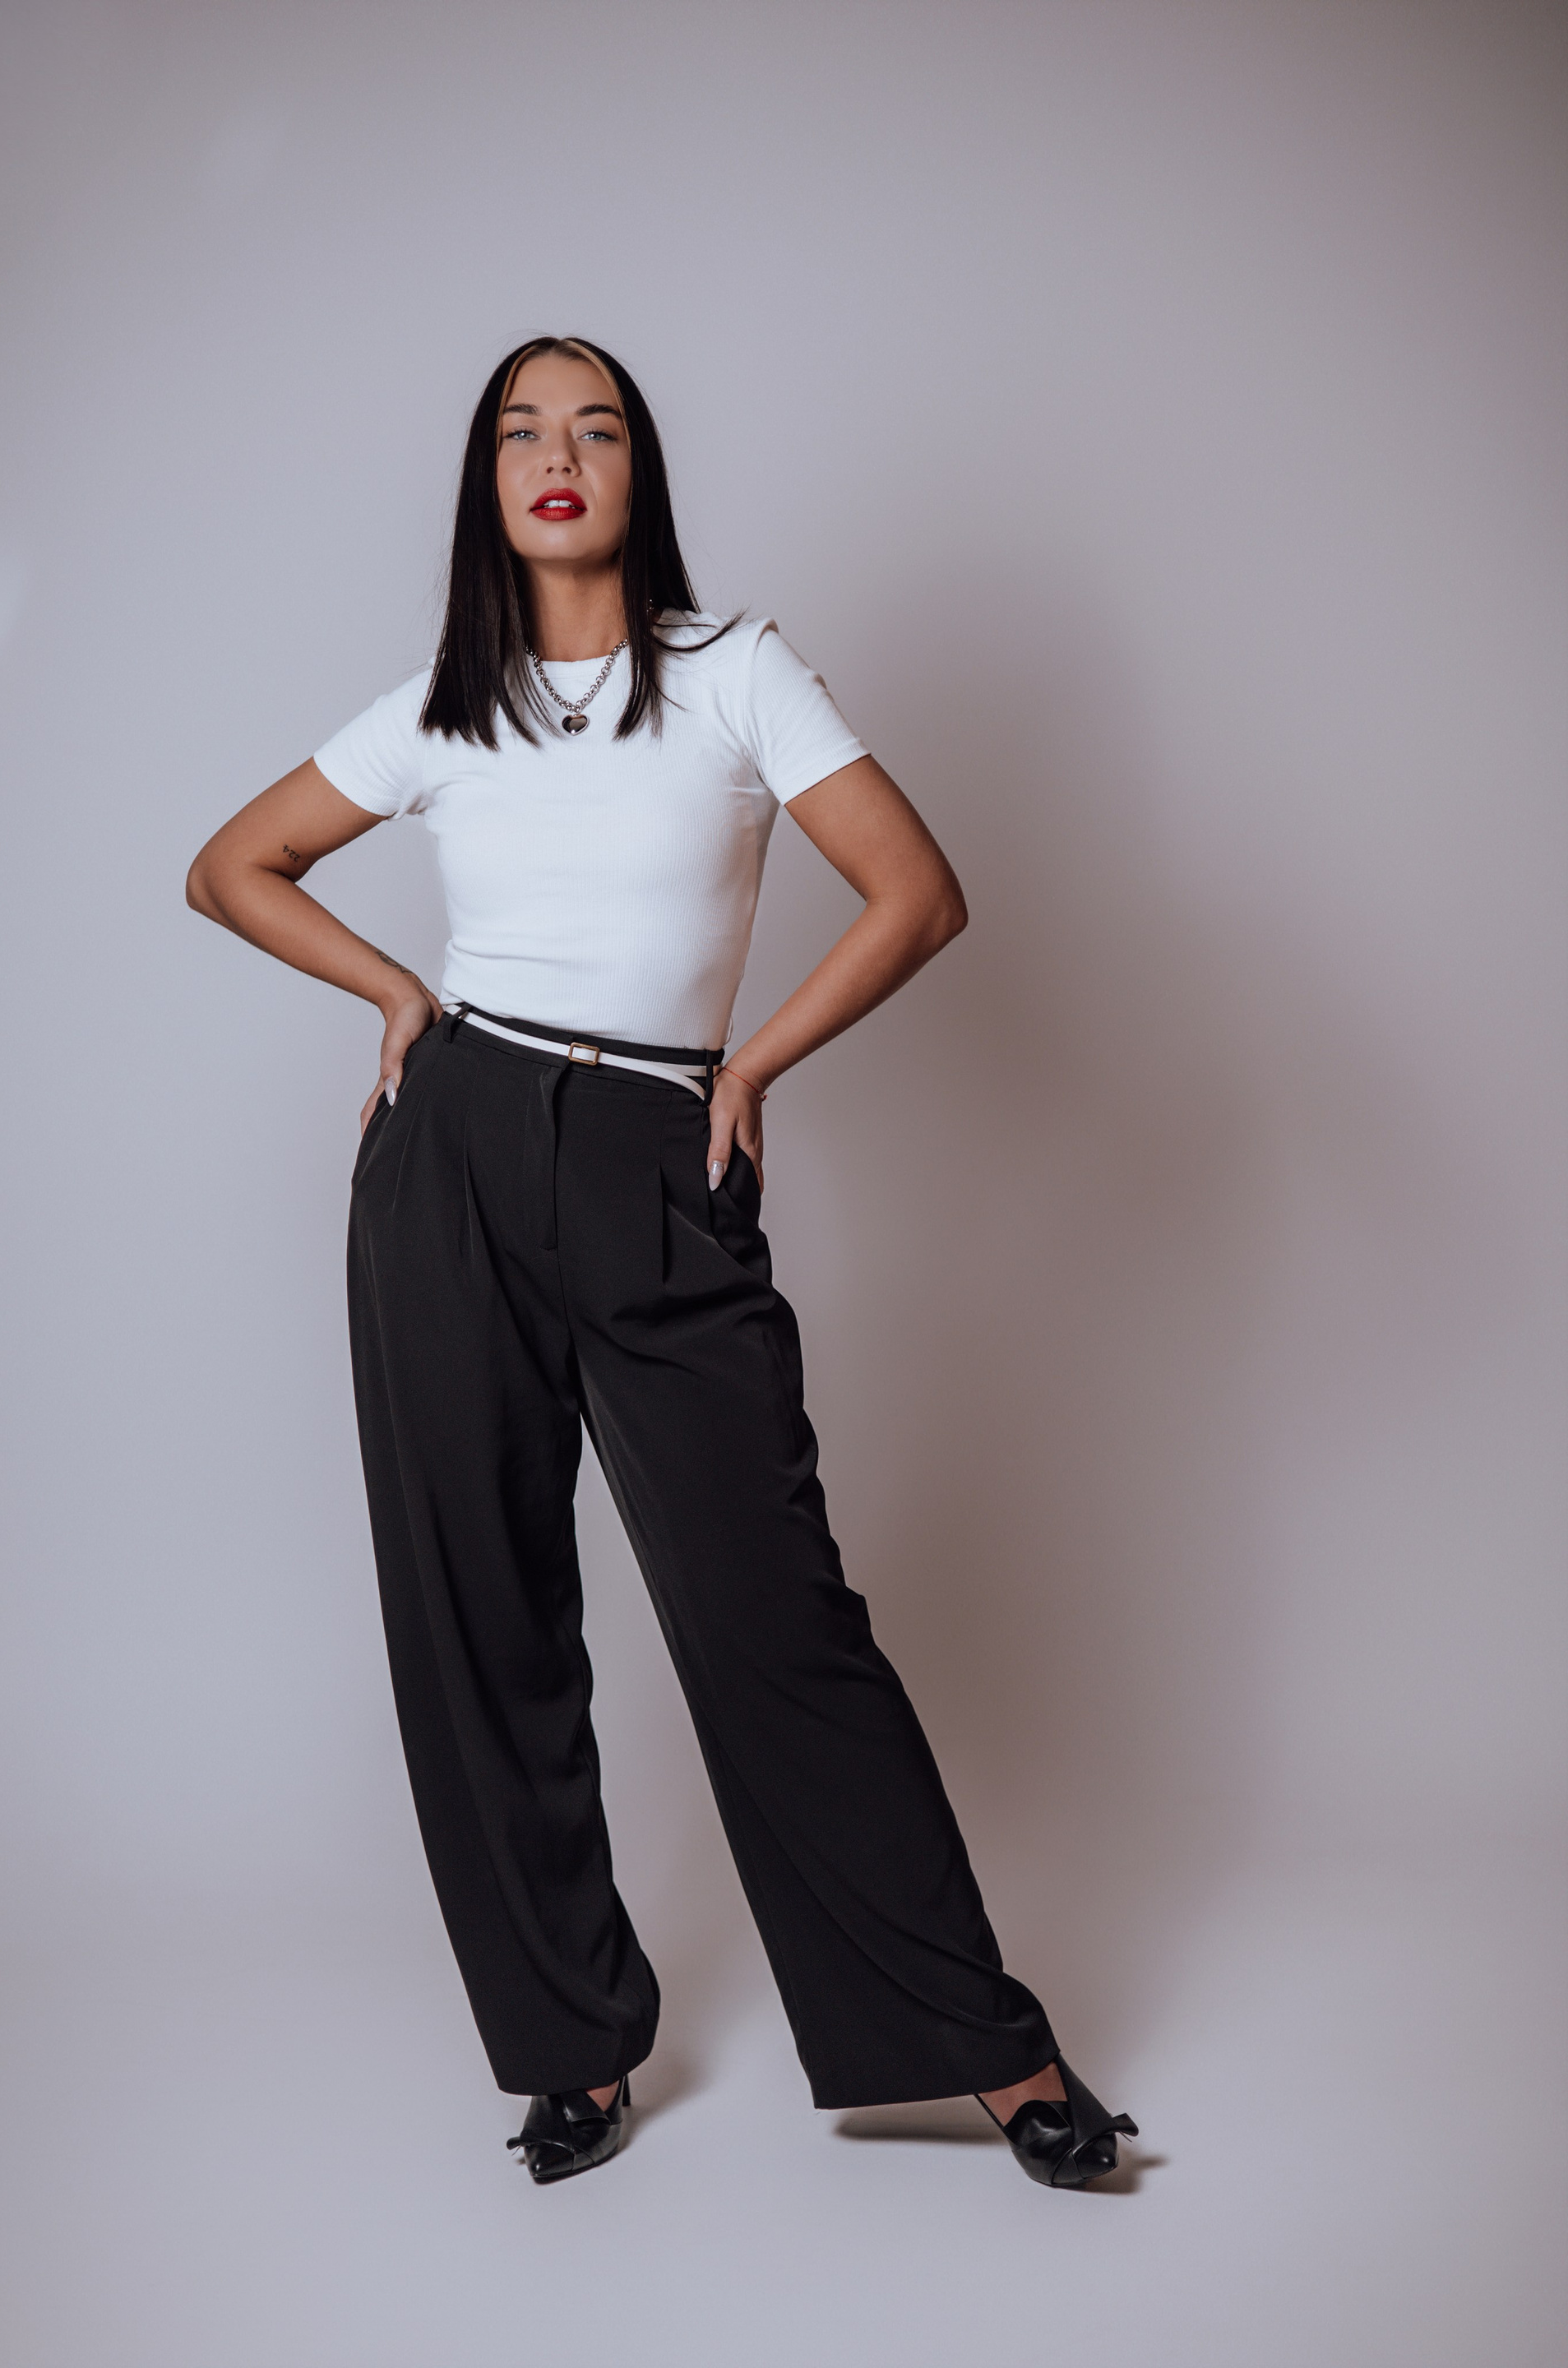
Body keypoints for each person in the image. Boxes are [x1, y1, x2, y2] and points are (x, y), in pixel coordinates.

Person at [186, 335, 1136, 2190]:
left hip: (655, 1147)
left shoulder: (733, 672)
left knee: (774, 1611)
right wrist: (396, 995)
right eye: (523, 432)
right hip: (453, 1152)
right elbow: (233, 867)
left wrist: (753, 1065)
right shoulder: (440, 707)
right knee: (481, 1615)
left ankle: (986, 2048)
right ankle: (572, 2050)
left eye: (597, 428)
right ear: (488, 483)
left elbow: (919, 892)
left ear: (639, 473)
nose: (560, 455)